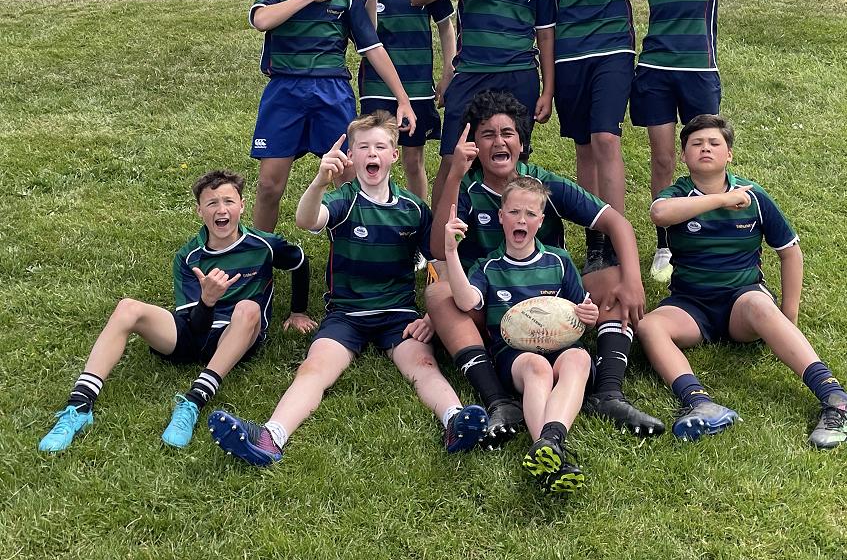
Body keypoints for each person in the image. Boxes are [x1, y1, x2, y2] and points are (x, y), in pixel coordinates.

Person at [470, 0, 721, 274]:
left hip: (613, 49)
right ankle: (596, 242)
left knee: (606, 139)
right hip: (568, 53)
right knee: (584, 147)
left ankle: (617, 239)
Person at [209, 112, 487, 465]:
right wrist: (319, 183)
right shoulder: (345, 199)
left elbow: (439, 261)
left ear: (394, 155)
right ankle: (271, 436)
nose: (372, 153)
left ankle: (455, 420)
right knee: (314, 368)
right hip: (346, 314)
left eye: (380, 147)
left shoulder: (413, 209)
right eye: (363, 147)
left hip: (397, 314)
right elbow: (306, 220)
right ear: (351, 156)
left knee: (423, 365)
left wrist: (433, 314)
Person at [426, 90, 664, 443]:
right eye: (487, 134)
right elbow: (437, 249)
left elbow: (617, 223)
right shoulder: (468, 187)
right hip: (488, 298)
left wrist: (633, 280)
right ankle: (499, 400)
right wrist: (455, 176)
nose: (498, 141)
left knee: (615, 279)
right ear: (473, 144)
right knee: (438, 295)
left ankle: (608, 392)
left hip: (552, 293)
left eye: (507, 133)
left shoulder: (543, 185)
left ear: (522, 142)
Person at [38, 170, 312, 453]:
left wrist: (298, 312)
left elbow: (300, 262)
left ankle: (193, 401)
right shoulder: (188, 256)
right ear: (199, 211)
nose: (221, 210)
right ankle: (79, 407)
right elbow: (194, 328)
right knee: (127, 307)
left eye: (229, 201)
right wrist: (208, 300)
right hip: (195, 331)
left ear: (242, 206)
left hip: (237, 337)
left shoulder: (264, 244)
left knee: (248, 308)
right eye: (212, 203)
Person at [638, 115, 847, 448]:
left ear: (729, 154)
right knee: (648, 327)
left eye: (714, 143)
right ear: (683, 156)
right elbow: (659, 214)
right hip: (689, 305)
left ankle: (837, 400)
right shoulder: (678, 194)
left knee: (759, 303)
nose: (705, 148)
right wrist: (722, 200)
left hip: (741, 302)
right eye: (696, 144)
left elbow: (790, 252)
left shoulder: (755, 197)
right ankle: (700, 403)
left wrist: (789, 315)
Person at [626, 0, 786, 283]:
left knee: (707, 157)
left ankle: (716, 233)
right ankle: (666, 245)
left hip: (699, 72)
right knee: (663, 158)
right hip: (654, 72)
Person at [249, 0, 417, 232]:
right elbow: (262, 20)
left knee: (348, 179)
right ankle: (260, 253)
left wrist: (403, 99)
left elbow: (373, 48)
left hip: (332, 91)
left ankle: (353, 248)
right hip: (284, 91)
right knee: (269, 185)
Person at [444, 177, 599, 492]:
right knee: (537, 368)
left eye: (530, 214)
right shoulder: (488, 267)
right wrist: (451, 251)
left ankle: (550, 441)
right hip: (515, 354)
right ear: (501, 217)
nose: (521, 220)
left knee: (580, 359)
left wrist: (590, 316)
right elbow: (465, 301)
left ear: (540, 221)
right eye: (514, 212)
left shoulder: (559, 261)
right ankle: (553, 451)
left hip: (561, 345)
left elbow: (581, 310)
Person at [410, 0, 556, 210]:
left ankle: (506, 228)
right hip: (471, 75)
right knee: (454, 159)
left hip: (519, 77)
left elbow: (545, 37)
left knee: (511, 163)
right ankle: (438, 234)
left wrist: (548, 90)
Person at [355, 0, 457, 205]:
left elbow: (446, 27)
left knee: (413, 160)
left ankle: (417, 220)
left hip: (417, 87)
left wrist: (448, 73)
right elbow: (366, 35)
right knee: (375, 157)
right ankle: (376, 215)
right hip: (376, 87)